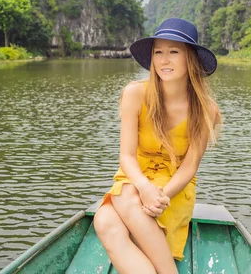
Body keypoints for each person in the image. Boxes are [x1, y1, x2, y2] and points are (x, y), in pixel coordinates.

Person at [93, 18, 222, 274]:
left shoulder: (206, 110)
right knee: (105, 219)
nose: (164, 60)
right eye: (158, 52)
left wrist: (161, 196)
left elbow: (189, 167)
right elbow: (126, 156)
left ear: (190, 59)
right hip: (134, 178)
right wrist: (144, 187)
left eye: (174, 52)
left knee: (112, 213)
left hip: (174, 186)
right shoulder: (135, 94)